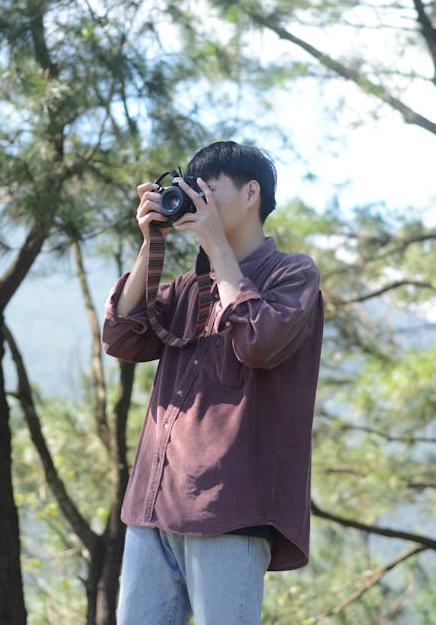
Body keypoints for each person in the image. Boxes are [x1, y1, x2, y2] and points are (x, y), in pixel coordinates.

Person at [101, 141, 324, 625]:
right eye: (191, 192)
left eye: (209, 190)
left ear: (251, 193)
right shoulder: (187, 287)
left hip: (229, 507)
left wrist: (218, 249)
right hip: (152, 504)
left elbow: (258, 344)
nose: (197, 201)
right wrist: (150, 242)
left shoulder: (293, 273)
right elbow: (121, 336)